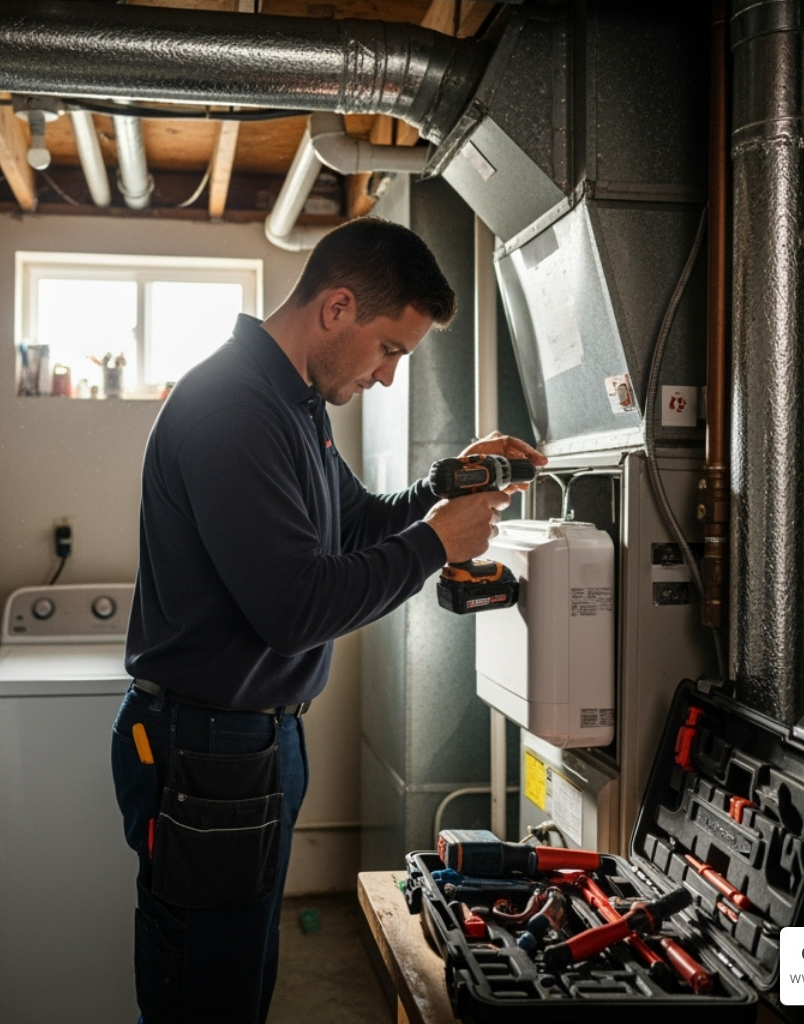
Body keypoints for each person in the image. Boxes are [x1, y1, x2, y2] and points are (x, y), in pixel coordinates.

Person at [111, 217, 545, 1024]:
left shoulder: (293, 402)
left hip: (256, 744)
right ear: (338, 308)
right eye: (390, 350)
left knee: (241, 978)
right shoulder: (233, 408)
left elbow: (352, 523)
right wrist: (433, 544)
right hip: (208, 751)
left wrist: (444, 487)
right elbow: (295, 608)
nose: (386, 378)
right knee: (205, 994)